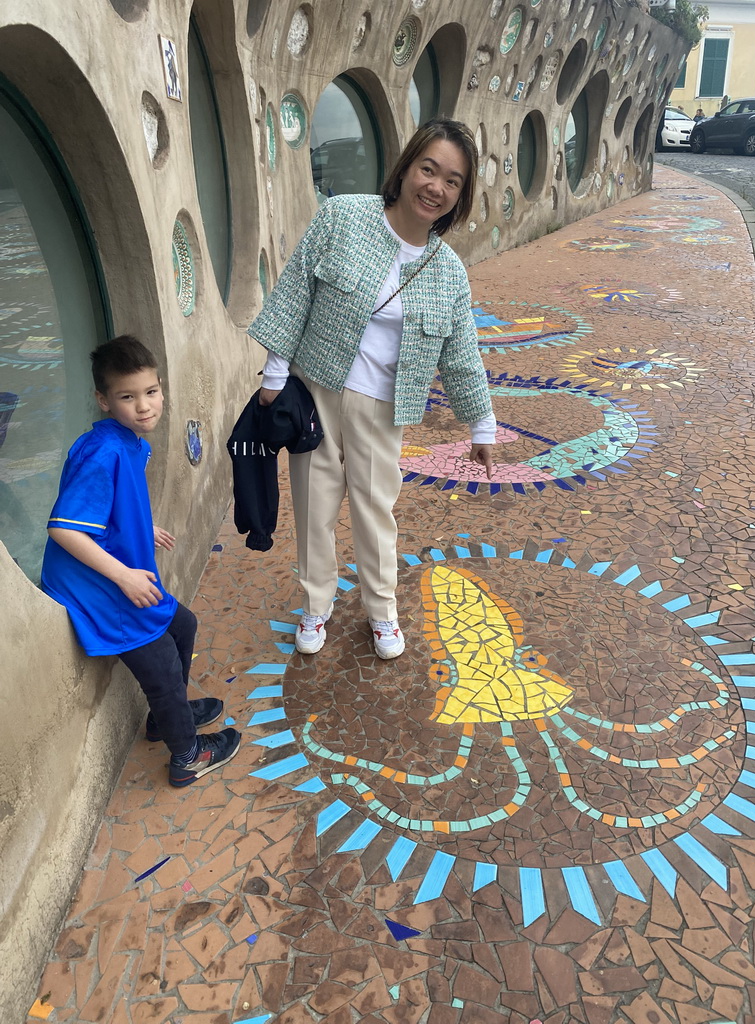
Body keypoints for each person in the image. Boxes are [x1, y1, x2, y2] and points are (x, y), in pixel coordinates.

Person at [248, 117, 496, 660]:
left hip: (385, 408)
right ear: (406, 167)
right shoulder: (343, 218)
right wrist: (273, 376)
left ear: (460, 196)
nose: (435, 187)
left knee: (375, 510)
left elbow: (460, 354)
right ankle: (316, 604)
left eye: (452, 181)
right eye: (428, 169)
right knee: (315, 506)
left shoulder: (448, 271)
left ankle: (381, 611)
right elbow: (294, 294)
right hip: (315, 392)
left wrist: (481, 425)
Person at [41, 336, 240, 787]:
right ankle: (187, 755)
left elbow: (105, 505)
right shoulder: (103, 450)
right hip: (96, 585)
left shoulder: (132, 443)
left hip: (113, 571)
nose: (144, 406)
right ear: (103, 400)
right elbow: (64, 528)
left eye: (151, 391)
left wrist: (140, 528)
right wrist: (125, 576)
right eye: (127, 397)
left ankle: (165, 717)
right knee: (162, 660)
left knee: (183, 625)